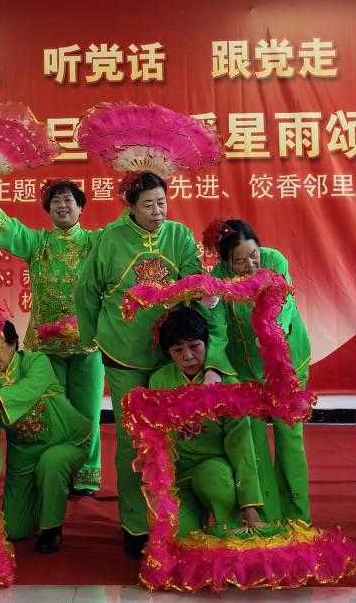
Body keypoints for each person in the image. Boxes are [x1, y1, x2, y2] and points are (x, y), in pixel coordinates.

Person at [75, 171, 223, 558]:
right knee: (132, 439)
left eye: (162, 203)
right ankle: (136, 525)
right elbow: (87, 290)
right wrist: (91, 336)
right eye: (148, 205)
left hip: (168, 354)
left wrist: (204, 291)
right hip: (123, 351)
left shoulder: (178, 235)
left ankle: (175, 516)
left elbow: (192, 275)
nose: (158, 211)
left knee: (174, 433)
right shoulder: (110, 238)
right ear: (130, 206)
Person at [0, 170, 103, 495]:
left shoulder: (97, 242)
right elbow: (6, 226)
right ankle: (54, 470)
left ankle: (86, 474)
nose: (62, 205)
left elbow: (127, 234)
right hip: (45, 348)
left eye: (68, 200)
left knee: (87, 412)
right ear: (48, 209)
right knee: (51, 411)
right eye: (55, 201)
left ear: (81, 207)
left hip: (89, 345)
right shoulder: (38, 242)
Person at [206, 218, 311, 522]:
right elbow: (218, 330)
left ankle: (297, 517)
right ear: (225, 261)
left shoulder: (275, 261)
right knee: (252, 442)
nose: (251, 265)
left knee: (289, 437)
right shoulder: (218, 279)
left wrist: (269, 330)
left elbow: (283, 303)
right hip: (244, 369)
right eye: (240, 261)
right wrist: (213, 366)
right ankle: (267, 516)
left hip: (285, 364)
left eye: (254, 255)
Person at [149, 306, 264, 535]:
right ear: (168, 353)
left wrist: (249, 506)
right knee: (177, 535)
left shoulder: (227, 385)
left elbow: (241, 447)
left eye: (194, 346)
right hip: (176, 472)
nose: (188, 356)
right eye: (178, 350)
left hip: (214, 467)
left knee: (218, 489)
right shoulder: (158, 381)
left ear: (208, 344)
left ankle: (227, 519)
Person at [0, 320, 90, 553]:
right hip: (23, 454)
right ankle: (43, 495)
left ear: (13, 344)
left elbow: (30, 387)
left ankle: (51, 529)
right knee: (14, 530)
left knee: (51, 462)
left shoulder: (35, 361)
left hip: (66, 439)